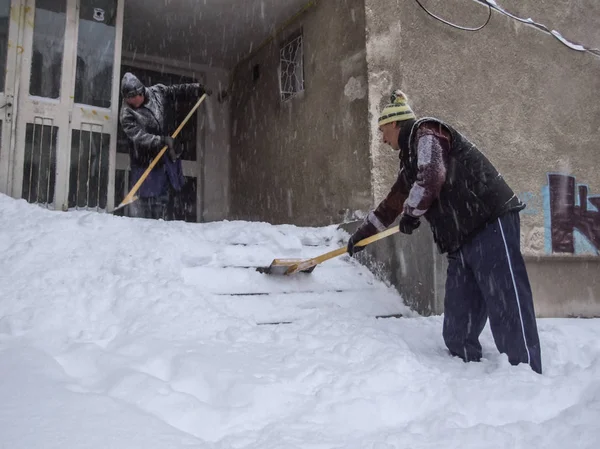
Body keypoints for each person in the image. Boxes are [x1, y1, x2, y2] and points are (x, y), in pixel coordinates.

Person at [348, 89, 542, 374]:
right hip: (459, 239)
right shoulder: (411, 160)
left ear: (394, 123)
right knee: (457, 331)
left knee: (505, 301)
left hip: (489, 221)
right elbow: (392, 204)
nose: (381, 137)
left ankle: (525, 373)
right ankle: (467, 374)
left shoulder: (427, 133)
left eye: (382, 129)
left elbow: (433, 176)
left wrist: (412, 214)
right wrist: (361, 237)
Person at [119, 72, 210, 220]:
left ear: (140, 91)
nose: (131, 102)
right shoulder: (126, 113)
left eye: (132, 98)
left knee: (168, 199)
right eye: (128, 99)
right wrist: (161, 140)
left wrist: (196, 89)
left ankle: (165, 229)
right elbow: (139, 137)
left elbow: (176, 90)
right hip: (145, 163)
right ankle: (146, 231)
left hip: (166, 159)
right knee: (148, 203)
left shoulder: (157, 92)